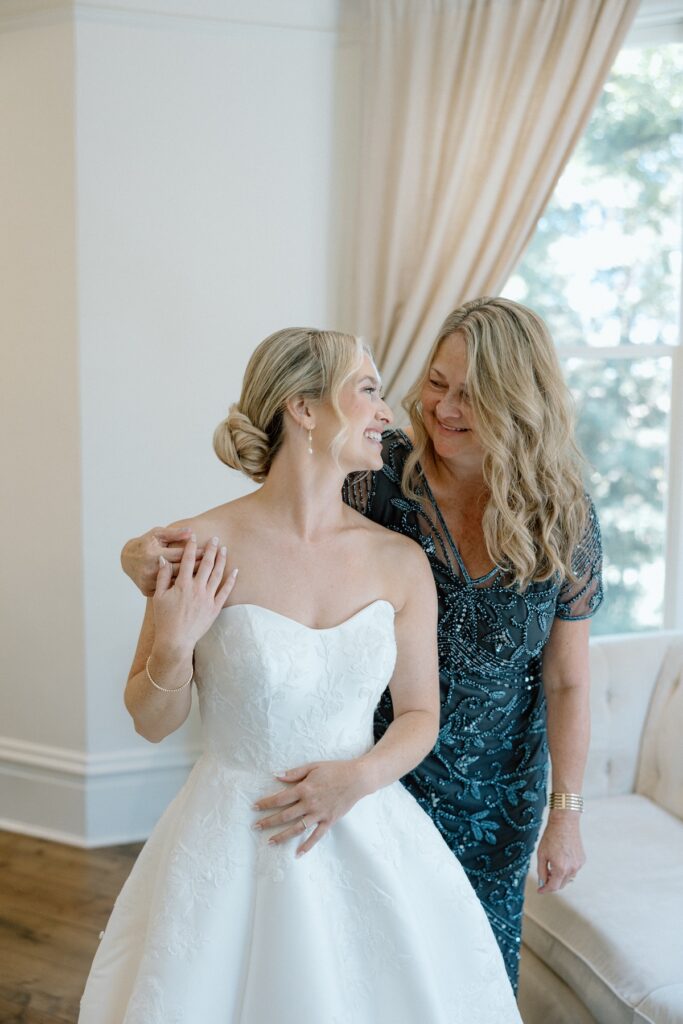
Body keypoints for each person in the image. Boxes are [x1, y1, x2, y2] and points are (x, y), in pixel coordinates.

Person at [121, 299, 603, 991]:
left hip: (469, 787)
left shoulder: (558, 515)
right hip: (343, 781)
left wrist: (567, 812)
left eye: (470, 394)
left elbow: (567, 682)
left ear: (517, 401)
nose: (433, 407)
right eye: (434, 382)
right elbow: (289, 501)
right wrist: (143, 568)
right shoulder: (380, 475)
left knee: (459, 975)